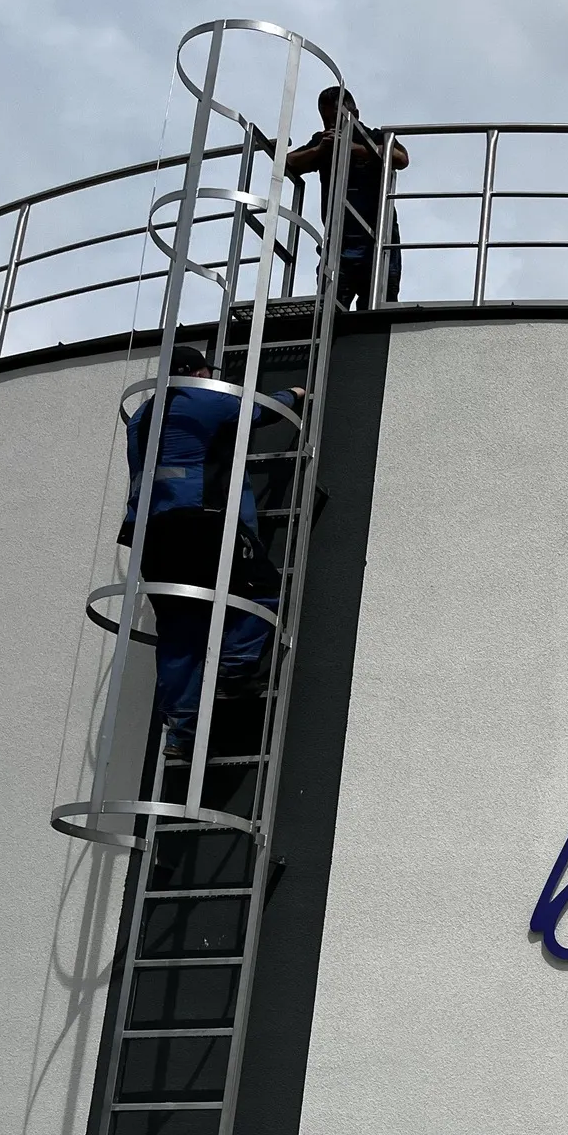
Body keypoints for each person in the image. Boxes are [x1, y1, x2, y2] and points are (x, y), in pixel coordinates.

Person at [122, 344, 305, 757]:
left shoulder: (141, 417)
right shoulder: (204, 399)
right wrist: (294, 393)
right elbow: (261, 411)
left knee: (179, 631)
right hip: (201, 522)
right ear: (197, 373)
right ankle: (232, 673)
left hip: (150, 534)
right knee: (261, 593)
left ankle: (182, 733)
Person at [285, 87, 409, 308]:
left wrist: (354, 148)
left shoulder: (374, 137)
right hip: (339, 245)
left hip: (379, 243)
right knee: (329, 311)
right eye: (326, 121)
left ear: (355, 115)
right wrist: (319, 150)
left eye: (336, 119)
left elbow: (401, 158)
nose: (331, 126)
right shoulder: (323, 142)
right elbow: (289, 162)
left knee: (378, 313)